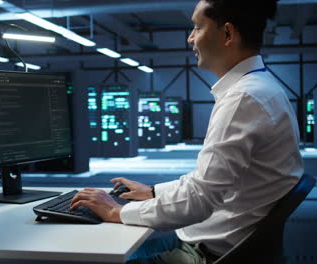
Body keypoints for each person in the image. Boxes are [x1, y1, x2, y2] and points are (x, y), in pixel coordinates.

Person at [71, 0, 304, 263]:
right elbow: (206, 182)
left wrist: (116, 212)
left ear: (227, 34)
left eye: (197, 28)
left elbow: (199, 200)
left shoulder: (243, 98)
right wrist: (154, 191)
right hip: (217, 237)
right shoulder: (262, 87)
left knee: (98, 256)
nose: (190, 38)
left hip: (207, 251)